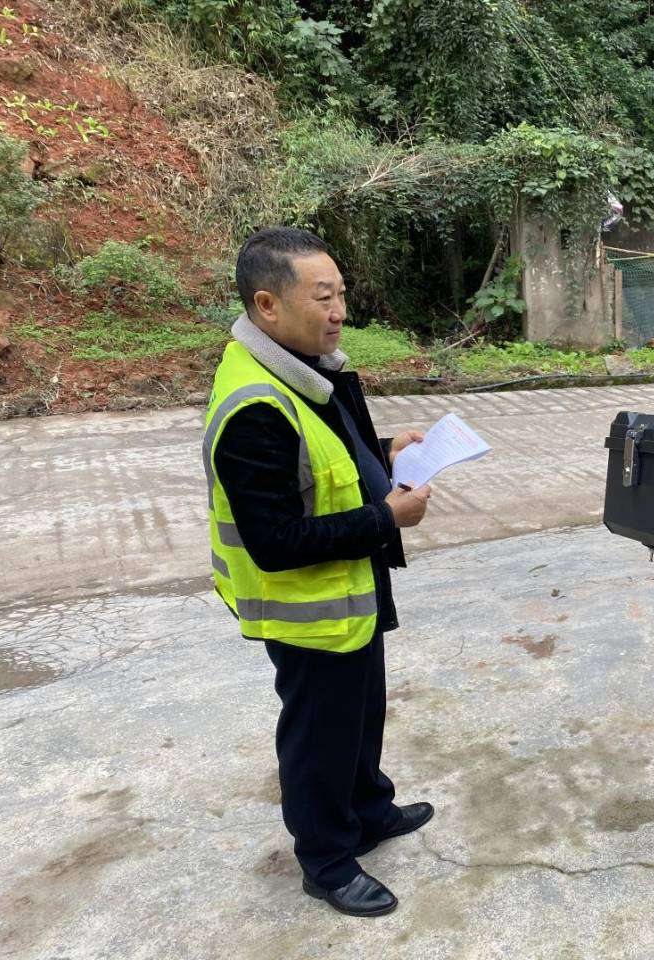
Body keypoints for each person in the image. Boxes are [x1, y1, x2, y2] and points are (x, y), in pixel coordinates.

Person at [202, 226, 433, 917]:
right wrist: (386, 518)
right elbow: (274, 541)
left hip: (348, 590)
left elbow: (324, 459)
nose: (340, 312)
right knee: (318, 737)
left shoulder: (301, 368)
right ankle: (327, 860)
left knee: (361, 714)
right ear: (267, 305)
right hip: (305, 608)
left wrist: (384, 450)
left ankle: (369, 809)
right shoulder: (254, 408)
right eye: (323, 297)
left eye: (341, 295)